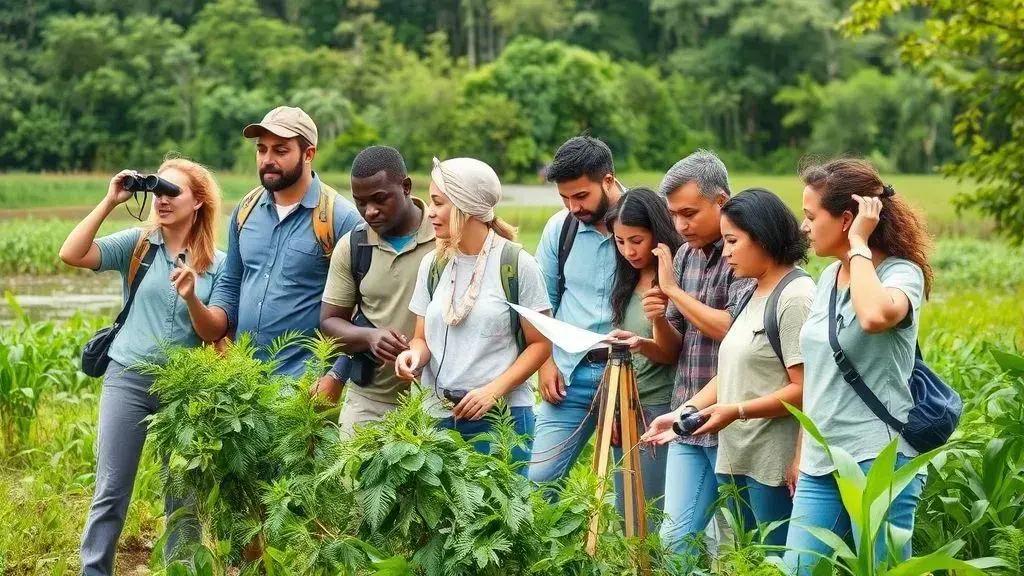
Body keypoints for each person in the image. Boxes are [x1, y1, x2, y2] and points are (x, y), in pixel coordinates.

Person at [58, 159, 225, 575]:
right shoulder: (137, 243)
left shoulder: (217, 264)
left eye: (174, 192)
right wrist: (111, 200)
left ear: (199, 201)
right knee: (111, 490)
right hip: (127, 376)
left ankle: (181, 570)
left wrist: (191, 298)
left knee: (182, 496)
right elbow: (71, 253)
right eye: (158, 191)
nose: (163, 200)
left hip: (184, 386)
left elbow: (213, 332)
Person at [782, 158, 933, 575]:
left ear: (847, 219)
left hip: (878, 455)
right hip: (820, 458)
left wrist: (861, 247)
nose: (805, 227)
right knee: (798, 568)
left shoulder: (902, 274)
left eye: (811, 216)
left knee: (878, 569)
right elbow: (818, 374)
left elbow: (873, 317)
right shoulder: (829, 276)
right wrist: (801, 450)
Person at [644, 188, 814, 552]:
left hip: (772, 460)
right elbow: (731, 372)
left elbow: (806, 387)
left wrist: (736, 411)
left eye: (733, 240)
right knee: (747, 556)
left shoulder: (795, 296)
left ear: (764, 236)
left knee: (773, 558)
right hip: (739, 455)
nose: (727, 252)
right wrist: (684, 413)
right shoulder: (752, 291)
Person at [395, 157, 551, 465]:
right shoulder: (433, 264)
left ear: (465, 207)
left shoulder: (517, 265)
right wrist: (412, 356)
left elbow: (541, 343)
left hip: (501, 420)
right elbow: (422, 339)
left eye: (439, 203)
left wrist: (491, 392)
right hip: (436, 417)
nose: (431, 212)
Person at [188, 106, 363, 377]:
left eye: (280, 151)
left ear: (309, 154)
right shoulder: (245, 211)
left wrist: (336, 376)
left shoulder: (341, 219)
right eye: (261, 149)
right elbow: (231, 282)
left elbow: (363, 309)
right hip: (243, 378)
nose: (267, 159)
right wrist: (215, 327)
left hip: (304, 381)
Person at [646, 150, 754, 563]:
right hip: (687, 418)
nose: (680, 225)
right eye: (673, 215)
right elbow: (675, 346)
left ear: (721, 202)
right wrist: (657, 320)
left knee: (737, 544)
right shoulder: (686, 254)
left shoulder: (749, 255)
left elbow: (732, 328)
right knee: (675, 541)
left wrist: (673, 291)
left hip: (733, 420)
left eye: (689, 213)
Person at [312, 146, 435, 435]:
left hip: (433, 401)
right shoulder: (353, 247)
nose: (370, 211)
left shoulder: (443, 238)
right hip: (369, 401)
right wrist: (371, 337)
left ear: (405, 187)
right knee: (353, 479)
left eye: (380, 199)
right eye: (360, 202)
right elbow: (330, 322)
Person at [528, 135, 624, 484]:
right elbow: (542, 303)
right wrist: (546, 363)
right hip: (569, 374)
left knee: (633, 496)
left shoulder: (643, 223)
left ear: (608, 180)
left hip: (630, 377)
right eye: (565, 198)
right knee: (536, 482)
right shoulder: (560, 227)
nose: (573, 207)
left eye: (581, 196)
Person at [602, 187, 684, 525]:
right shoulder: (627, 279)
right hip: (624, 404)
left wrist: (653, 325)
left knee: (654, 513)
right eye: (620, 242)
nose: (628, 251)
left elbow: (669, 352)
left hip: (659, 408)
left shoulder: (675, 278)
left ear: (657, 233)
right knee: (627, 512)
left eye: (636, 240)